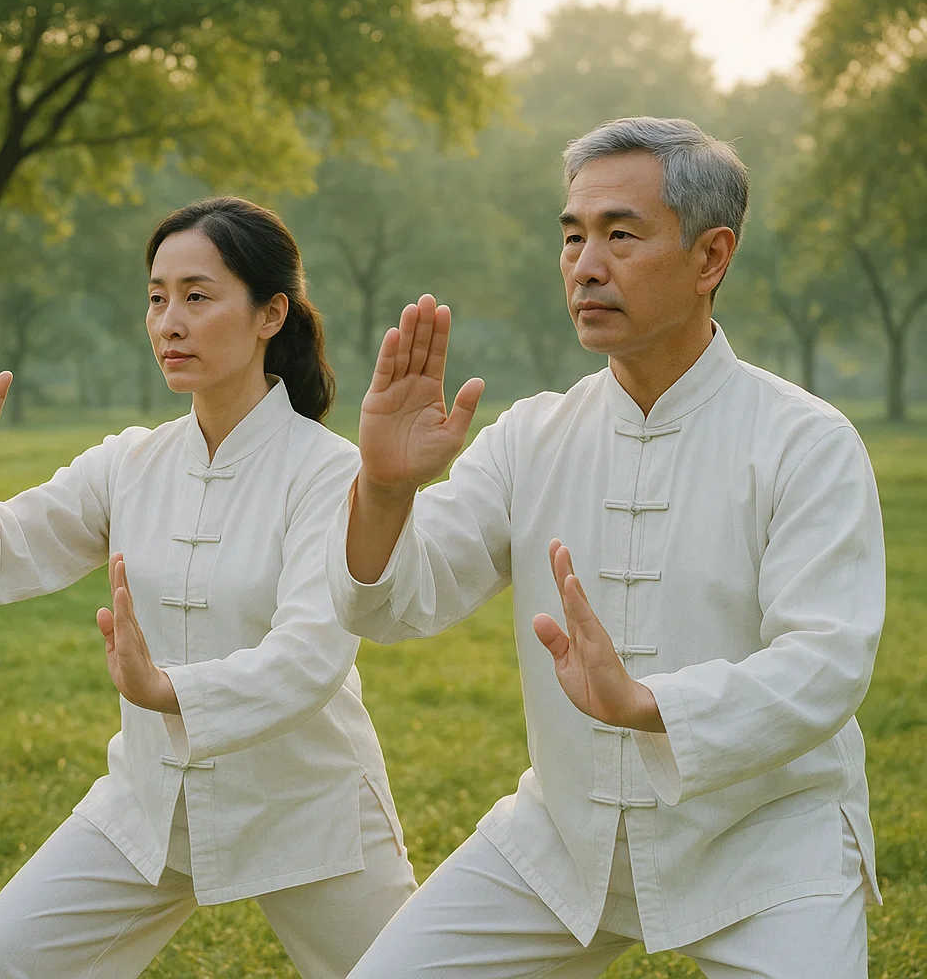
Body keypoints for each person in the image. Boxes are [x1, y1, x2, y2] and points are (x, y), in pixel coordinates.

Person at [328, 117, 884, 978]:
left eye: (621, 235)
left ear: (711, 257)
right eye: (573, 237)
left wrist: (647, 704)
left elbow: (827, 663)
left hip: (766, 845)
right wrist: (389, 489)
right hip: (562, 840)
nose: (586, 264)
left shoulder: (804, 440)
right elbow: (395, 604)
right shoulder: (532, 434)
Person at [0, 196, 416, 978]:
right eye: (156, 296)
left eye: (197, 296)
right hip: (151, 803)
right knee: (3, 960)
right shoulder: (129, 462)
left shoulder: (329, 472)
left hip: (306, 808)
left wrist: (167, 688)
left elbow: (310, 657)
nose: (169, 322)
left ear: (270, 313)